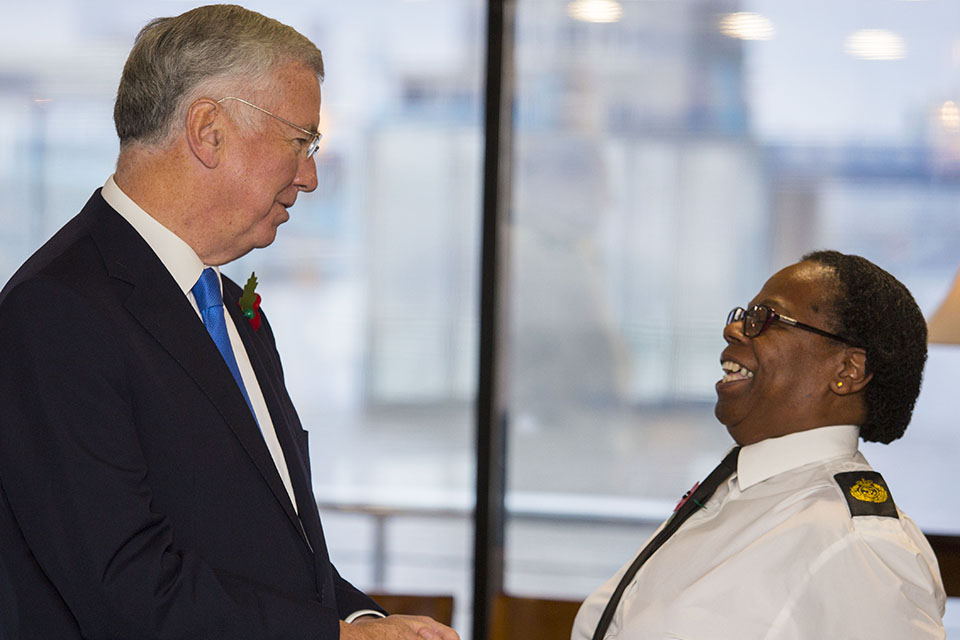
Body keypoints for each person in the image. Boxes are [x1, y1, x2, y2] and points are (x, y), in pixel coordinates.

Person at [0, 6, 457, 640]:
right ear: (208, 130)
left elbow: (268, 542)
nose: (311, 177)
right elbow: (123, 585)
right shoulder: (56, 312)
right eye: (301, 141)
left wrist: (366, 618)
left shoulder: (223, 300)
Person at [571, 250, 946, 639]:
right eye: (743, 317)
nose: (733, 330)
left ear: (847, 370)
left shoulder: (859, 543)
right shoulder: (736, 489)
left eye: (766, 319)